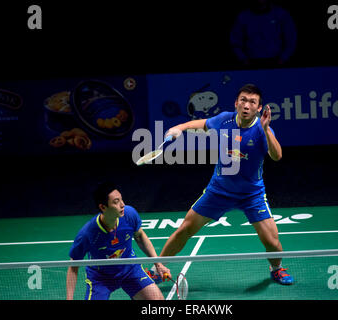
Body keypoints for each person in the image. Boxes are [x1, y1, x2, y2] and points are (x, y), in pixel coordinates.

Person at [160, 83, 294, 285]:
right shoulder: (224, 120)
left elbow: (277, 155)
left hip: (252, 194)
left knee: (272, 241)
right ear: (236, 103)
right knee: (184, 229)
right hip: (219, 191)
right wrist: (179, 128)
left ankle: (276, 268)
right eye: (243, 100)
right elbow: (202, 123)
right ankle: (158, 267)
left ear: (259, 108)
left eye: (252, 102)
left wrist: (266, 130)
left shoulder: (261, 129)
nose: (246, 105)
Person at [66, 182, 170, 300]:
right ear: (103, 207)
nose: (122, 205)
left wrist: (158, 264)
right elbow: (73, 265)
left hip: (130, 270)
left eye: (121, 199)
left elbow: (140, 236)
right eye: (116, 202)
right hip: (101, 278)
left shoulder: (129, 215)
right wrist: (69, 298)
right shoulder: (88, 233)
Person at [230, 0, 297, 68]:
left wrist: (284, 57)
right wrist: (243, 58)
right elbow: (235, 40)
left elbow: (291, 38)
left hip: (276, 60)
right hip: (251, 61)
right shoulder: (243, 16)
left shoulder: (281, 14)